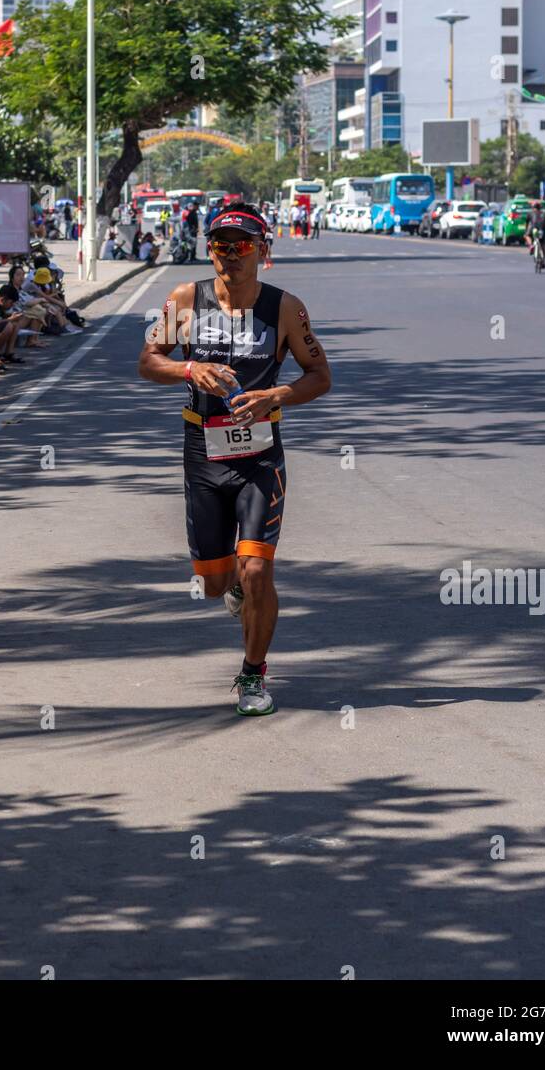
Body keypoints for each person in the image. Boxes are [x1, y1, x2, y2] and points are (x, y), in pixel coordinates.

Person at [138, 201, 332, 717]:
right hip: (202, 453)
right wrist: (187, 371)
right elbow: (148, 360)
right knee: (213, 583)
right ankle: (240, 596)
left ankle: (253, 674)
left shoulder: (285, 308)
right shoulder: (186, 299)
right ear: (210, 250)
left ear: (262, 250)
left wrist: (279, 396)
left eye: (242, 245)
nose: (230, 255)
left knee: (255, 570)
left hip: (260, 456)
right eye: (221, 245)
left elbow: (320, 375)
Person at [524, 201, 545, 267]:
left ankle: (531, 246)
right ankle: (543, 260)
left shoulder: (530, 213)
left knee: (527, 236)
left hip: (533, 229)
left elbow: (527, 222)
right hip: (542, 230)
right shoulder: (544, 213)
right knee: (543, 245)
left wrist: (526, 231)